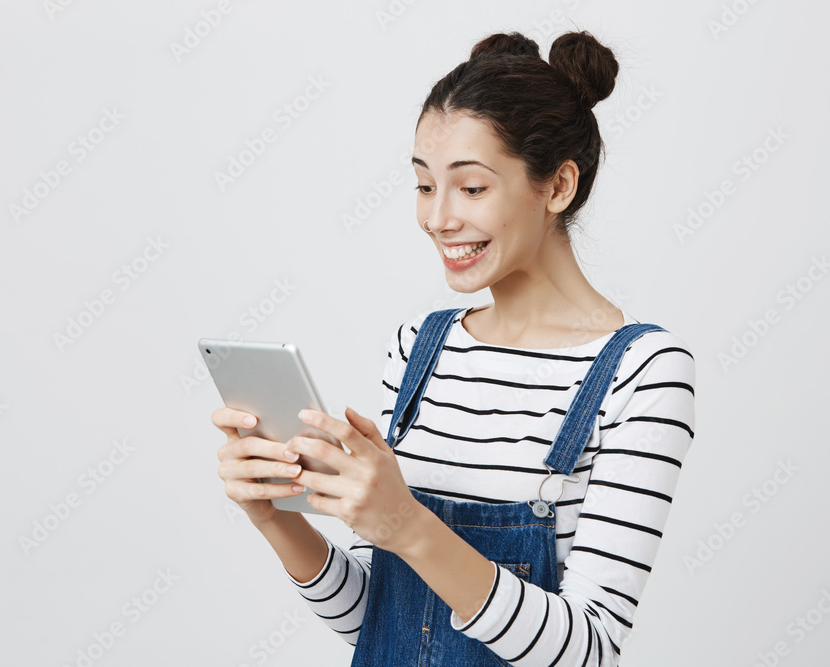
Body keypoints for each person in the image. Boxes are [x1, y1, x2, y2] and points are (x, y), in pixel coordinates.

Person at [213, 30, 695, 666]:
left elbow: (588, 650)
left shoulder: (644, 372)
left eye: (471, 188)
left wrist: (408, 526)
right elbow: (375, 617)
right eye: (423, 186)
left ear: (557, 186)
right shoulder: (421, 346)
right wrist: (276, 518)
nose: (437, 218)